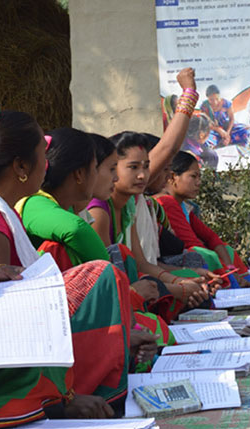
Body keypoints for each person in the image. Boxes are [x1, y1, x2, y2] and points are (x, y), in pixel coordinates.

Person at [0, 110, 160, 429]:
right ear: (20, 167)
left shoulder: (4, 213)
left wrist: (116, 337)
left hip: (13, 353)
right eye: (43, 157)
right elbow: (1, 327)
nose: (48, 166)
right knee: (101, 277)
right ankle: (59, 394)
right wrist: (63, 400)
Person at [18, 128, 164, 305]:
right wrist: (119, 284)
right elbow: (76, 230)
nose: (115, 178)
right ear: (79, 174)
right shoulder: (35, 203)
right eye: (98, 168)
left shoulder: (69, 209)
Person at [87, 131, 211, 315]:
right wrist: (174, 288)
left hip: (135, 286)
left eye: (146, 167)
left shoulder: (130, 205)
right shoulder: (99, 211)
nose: (142, 175)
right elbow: (110, 280)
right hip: (116, 301)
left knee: (195, 289)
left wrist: (179, 282)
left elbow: (141, 263)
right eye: (133, 167)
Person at [156, 151, 250, 279]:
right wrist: (227, 274)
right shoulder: (166, 202)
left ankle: (236, 279)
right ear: (173, 177)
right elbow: (192, 244)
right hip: (169, 263)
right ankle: (231, 282)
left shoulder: (185, 207)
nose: (198, 182)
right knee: (203, 254)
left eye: (199, 177)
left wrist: (230, 268)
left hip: (187, 258)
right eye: (193, 176)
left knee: (225, 250)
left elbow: (211, 237)